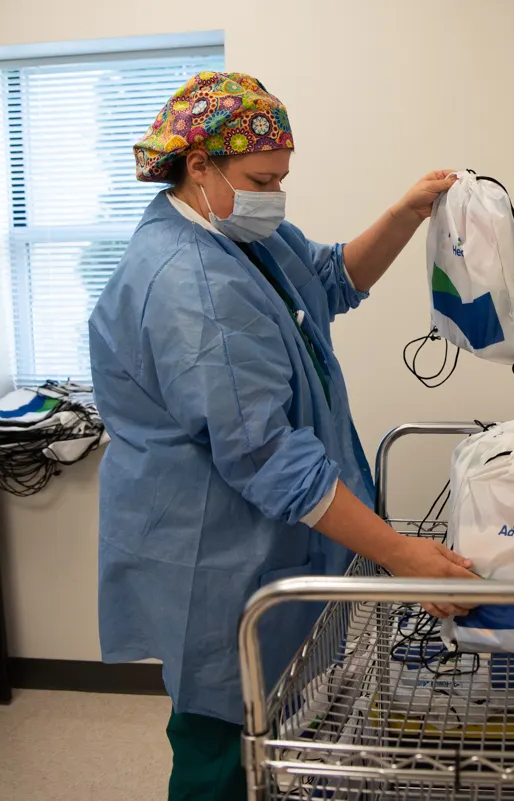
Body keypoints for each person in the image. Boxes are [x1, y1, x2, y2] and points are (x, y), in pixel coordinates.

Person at [88, 72, 476, 800]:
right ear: (197, 165)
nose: (276, 194)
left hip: (258, 533)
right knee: (219, 735)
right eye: (261, 177)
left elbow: (326, 278)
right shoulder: (191, 284)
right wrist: (399, 554)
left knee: (270, 722)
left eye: (282, 178)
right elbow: (268, 454)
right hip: (213, 549)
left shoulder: (240, 233)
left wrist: (404, 213)